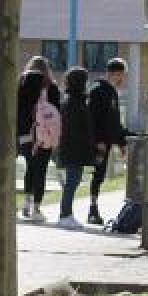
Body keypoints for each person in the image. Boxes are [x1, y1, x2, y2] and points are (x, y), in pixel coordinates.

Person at [86, 57, 132, 224]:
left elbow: (114, 122)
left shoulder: (112, 92)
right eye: (121, 75)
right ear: (113, 73)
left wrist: (121, 141)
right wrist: (98, 140)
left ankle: (93, 208)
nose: (122, 79)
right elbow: (92, 119)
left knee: (100, 175)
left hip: (107, 141)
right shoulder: (98, 90)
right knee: (96, 174)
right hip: (99, 143)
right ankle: (92, 210)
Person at [16, 55, 60, 222]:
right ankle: (36, 208)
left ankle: (26, 204)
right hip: (44, 135)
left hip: (25, 134)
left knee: (30, 167)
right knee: (41, 170)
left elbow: (18, 111)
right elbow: (56, 114)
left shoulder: (21, 84)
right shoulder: (51, 86)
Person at [56, 67, 95, 229]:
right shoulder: (73, 102)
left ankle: (67, 213)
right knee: (72, 182)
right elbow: (73, 128)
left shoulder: (75, 100)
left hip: (73, 148)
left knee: (73, 181)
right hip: (73, 149)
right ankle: (65, 214)